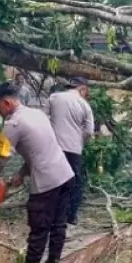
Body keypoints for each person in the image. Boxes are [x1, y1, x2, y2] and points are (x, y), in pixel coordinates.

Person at [0, 82, 75, 263]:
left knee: (39, 228)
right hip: (65, 174)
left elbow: (0, 159)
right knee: (58, 224)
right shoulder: (37, 114)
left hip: (47, 182)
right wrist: (21, 174)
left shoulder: (12, 125)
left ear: (6, 102)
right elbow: (37, 150)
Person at [46, 77, 95, 226]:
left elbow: (44, 118)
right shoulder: (84, 105)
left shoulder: (54, 97)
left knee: (53, 180)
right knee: (74, 182)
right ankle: (71, 215)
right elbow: (89, 131)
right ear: (83, 89)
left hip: (54, 147)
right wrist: (80, 141)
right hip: (73, 149)